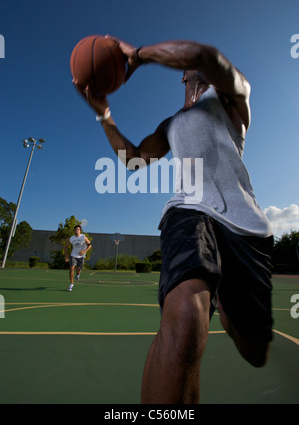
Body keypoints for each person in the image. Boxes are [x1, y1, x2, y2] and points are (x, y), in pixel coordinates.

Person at [75, 38, 274, 404]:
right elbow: (134, 160)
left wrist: (138, 56)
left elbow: (206, 56)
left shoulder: (233, 99)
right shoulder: (172, 124)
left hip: (245, 225)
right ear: (181, 76)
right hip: (188, 212)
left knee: (255, 351)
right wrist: (104, 114)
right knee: (183, 322)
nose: (192, 64)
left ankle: (226, 300)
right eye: (185, 63)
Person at [64, 224, 92, 292]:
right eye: (76, 229)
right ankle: (71, 284)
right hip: (73, 255)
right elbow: (66, 247)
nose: (77, 231)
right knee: (71, 268)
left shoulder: (83, 237)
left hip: (81, 256)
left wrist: (84, 251)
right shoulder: (71, 238)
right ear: (74, 231)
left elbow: (90, 245)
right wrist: (66, 256)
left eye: (78, 229)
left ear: (80, 231)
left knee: (78, 269)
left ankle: (78, 274)